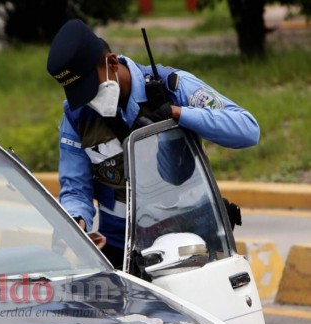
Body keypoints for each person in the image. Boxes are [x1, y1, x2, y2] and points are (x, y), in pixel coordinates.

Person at [46, 19, 259, 269]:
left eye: (92, 89)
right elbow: (75, 188)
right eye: (82, 95)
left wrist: (178, 113)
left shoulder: (171, 85)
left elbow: (247, 129)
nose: (90, 100)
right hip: (121, 245)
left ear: (112, 63)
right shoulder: (76, 116)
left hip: (192, 237)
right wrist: (76, 220)